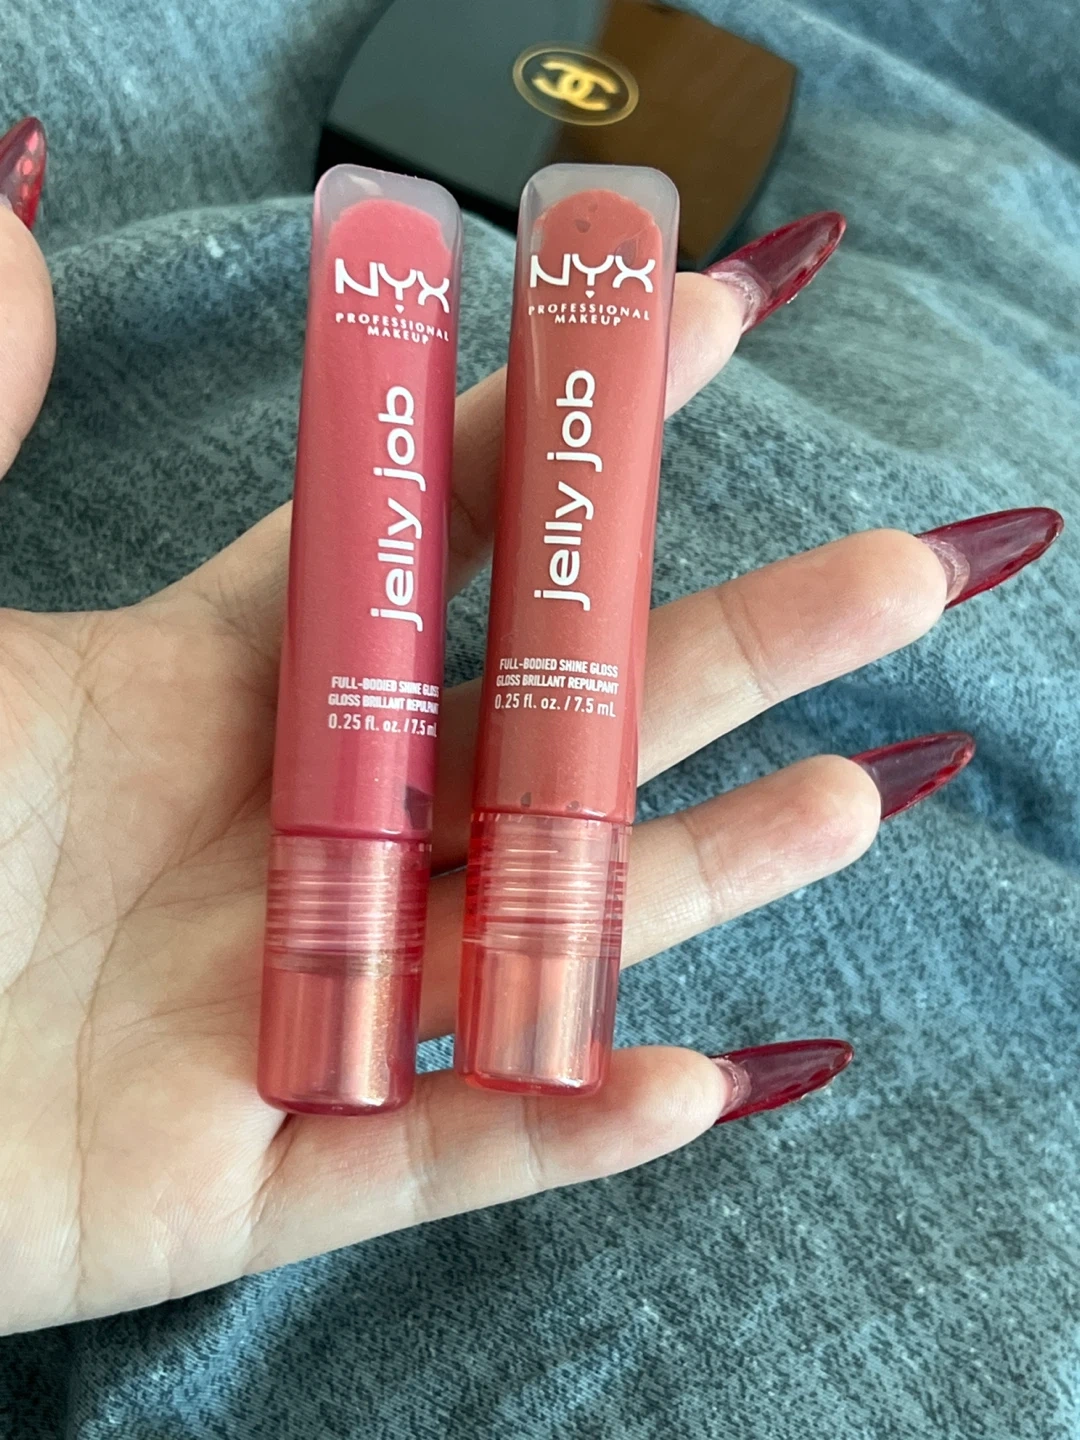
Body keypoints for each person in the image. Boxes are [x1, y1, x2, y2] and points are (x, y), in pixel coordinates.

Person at [0, 114, 1061, 1337]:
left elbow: (569, 531)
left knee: (567, 558)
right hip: (334, 799)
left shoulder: (507, 254)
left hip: (510, 778)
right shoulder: (394, 256)